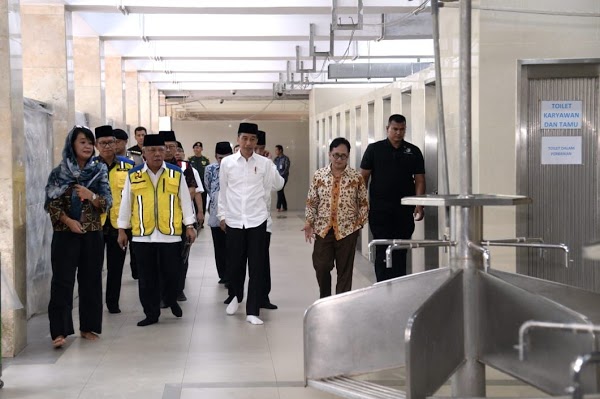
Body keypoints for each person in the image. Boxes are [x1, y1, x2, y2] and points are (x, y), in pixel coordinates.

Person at [117, 134, 197, 327]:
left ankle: (170, 300)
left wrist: (190, 225)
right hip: (143, 235)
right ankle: (151, 313)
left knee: (172, 274)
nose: (157, 154)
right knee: (147, 278)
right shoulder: (134, 175)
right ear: (144, 153)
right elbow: (126, 203)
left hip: (170, 234)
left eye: (161, 150)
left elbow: (185, 201)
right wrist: (122, 229)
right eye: (152, 150)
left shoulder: (175, 173)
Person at [44, 126, 112, 348]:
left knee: (91, 281)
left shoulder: (99, 171)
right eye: (82, 142)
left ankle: (88, 327)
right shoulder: (58, 172)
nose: (87, 146)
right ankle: (59, 331)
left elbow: (106, 204)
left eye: (90, 143)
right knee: (62, 282)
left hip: (92, 234)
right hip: (65, 235)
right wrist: (68, 221)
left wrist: (90, 195)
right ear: (72, 145)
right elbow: (51, 204)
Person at [218, 122, 284, 325]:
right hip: (235, 220)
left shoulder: (264, 164)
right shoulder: (227, 163)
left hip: (257, 220)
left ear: (257, 141)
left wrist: (271, 165)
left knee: (257, 267)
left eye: (252, 139)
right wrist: (222, 215)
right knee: (235, 264)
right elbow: (223, 190)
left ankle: (253, 310)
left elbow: (277, 185)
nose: (248, 143)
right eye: (244, 138)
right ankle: (236, 297)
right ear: (238, 139)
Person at [360, 114, 425, 282]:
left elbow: (419, 179)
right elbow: (363, 179)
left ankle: (399, 284)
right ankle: (382, 285)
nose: (398, 133)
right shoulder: (374, 150)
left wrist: (419, 204)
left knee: (400, 249)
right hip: (380, 210)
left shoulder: (413, 151)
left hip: (404, 210)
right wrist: (361, 203)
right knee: (382, 248)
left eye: (402, 129)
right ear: (387, 129)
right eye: (395, 129)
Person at [303, 137, 369, 298]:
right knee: (321, 265)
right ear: (329, 154)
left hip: (348, 231)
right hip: (323, 229)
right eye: (336, 155)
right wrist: (309, 222)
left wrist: (359, 224)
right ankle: (325, 299)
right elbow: (312, 201)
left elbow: (363, 203)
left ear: (348, 156)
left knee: (345, 271)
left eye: (343, 156)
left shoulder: (356, 177)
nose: (339, 159)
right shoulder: (319, 175)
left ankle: (341, 303)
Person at [94, 126, 135, 314]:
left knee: (116, 266)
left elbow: (134, 196)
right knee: (92, 267)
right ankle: (93, 303)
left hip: (119, 225)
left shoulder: (128, 166)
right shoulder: (90, 167)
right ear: (96, 145)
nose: (108, 146)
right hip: (95, 225)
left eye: (111, 142)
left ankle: (113, 302)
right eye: (103, 143)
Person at [204, 142, 233, 285]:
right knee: (219, 247)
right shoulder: (210, 169)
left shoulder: (235, 168)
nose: (223, 161)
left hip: (233, 213)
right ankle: (222, 274)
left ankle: (230, 275)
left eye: (226, 157)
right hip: (215, 214)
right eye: (220, 158)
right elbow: (208, 187)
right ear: (216, 156)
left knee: (231, 248)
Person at [188, 141, 210, 218]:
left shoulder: (205, 160)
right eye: (195, 147)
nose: (197, 149)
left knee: (203, 201)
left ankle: (202, 218)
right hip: (193, 183)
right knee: (194, 201)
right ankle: (194, 217)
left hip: (203, 183)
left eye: (199, 147)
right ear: (193, 149)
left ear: (202, 149)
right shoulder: (190, 160)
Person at [273, 144, 291, 212]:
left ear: (280, 150)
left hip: (283, 177)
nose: (275, 151)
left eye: (276, 150)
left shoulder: (286, 159)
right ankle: (285, 207)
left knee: (279, 190)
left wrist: (280, 175)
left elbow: (286, 169)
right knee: (281, 191)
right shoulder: (276, 159)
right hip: (277, 177)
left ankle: (278, 207)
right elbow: (274, 168)